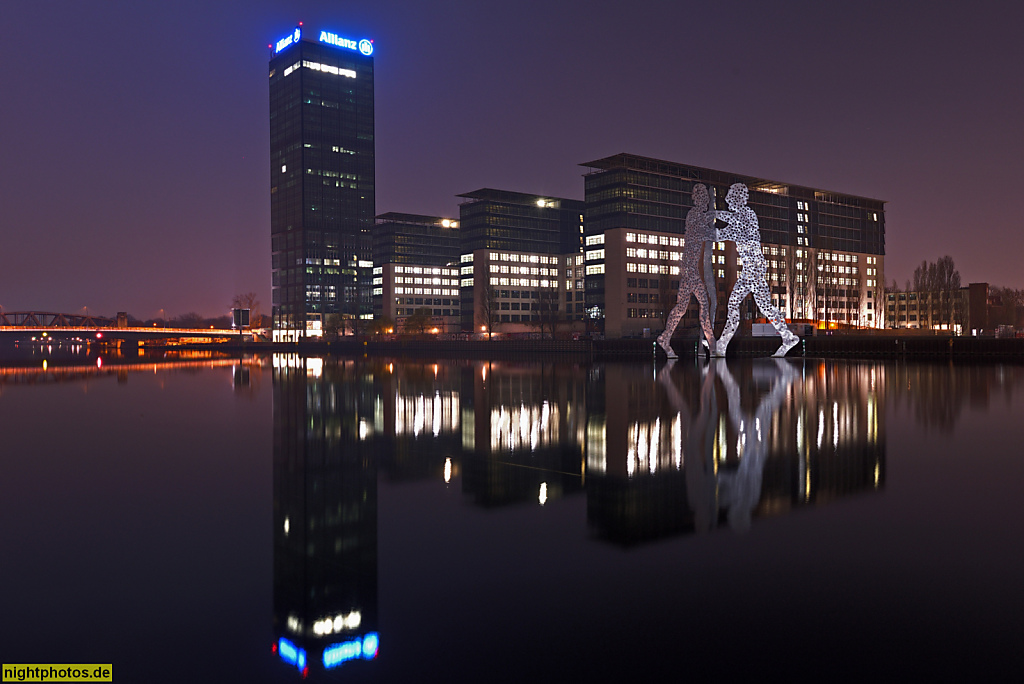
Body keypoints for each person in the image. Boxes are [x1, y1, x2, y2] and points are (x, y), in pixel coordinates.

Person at [714, 183, 799, 357]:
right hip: (750, 269)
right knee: (759, 306)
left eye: (730, 195)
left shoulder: (747, 215)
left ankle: (722, 344)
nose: (727, 198)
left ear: (738, 198)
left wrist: (711, 217)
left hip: (754, 268)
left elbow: (729, 228)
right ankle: (787, 336)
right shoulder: (739, 219)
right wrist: (708, 220)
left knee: (739, 304)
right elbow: (724, 227)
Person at [657, 184, 717, 358]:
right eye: (704, 198)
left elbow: (708, 225)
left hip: (688, 268)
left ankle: (665, 338)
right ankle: (712, 343)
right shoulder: (695, 215)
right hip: (689, 269)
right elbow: (707, 232)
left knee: (681, 307)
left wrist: (714, 213)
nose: (705, 202)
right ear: (700, 200)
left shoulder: (696, 215)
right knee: (704, 304)